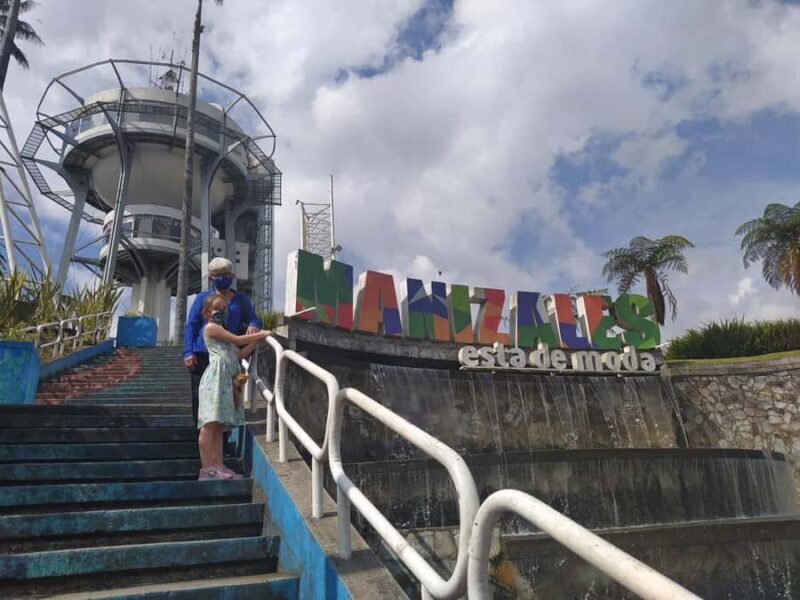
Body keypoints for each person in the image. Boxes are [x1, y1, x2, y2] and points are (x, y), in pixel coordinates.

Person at [197, 294, 271, 480]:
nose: (223, 312)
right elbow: (238, 340)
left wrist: (255, 341)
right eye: (218, 309)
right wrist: (261, 333)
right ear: (207, 313)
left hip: (227, 380)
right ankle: (207, 469)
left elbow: (240, 353)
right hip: (215, 380)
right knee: (209, 424)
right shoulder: (211, 328)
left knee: (219, 426)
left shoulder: (224, 336)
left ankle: (218, 464)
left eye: (225, 309)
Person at [184, 257, 262, 427]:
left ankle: (223, 444)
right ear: (211, 277)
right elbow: (191, 324)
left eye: (226, 274)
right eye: (218, 274)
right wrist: (188, 352)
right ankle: (201, 439)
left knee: (230, 401)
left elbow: (254, 319)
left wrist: (254, 326)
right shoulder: (203, 298)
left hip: (230, 358)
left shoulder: (240, 299)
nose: (223, 277)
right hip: (203, 356)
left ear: (232, 275)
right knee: (202, 399)